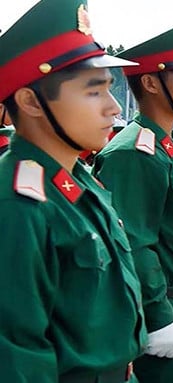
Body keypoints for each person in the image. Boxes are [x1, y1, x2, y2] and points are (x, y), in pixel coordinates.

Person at [0, 1, 146, 381]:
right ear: (30, 101)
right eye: (93, 92)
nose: (114, 108)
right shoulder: (16, 204)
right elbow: (18, 356)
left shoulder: (75, 179)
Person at [92, 21, 173, 383]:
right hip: (165, 309)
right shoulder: (132, 153)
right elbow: (134, 243)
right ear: (151, 82)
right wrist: (160, 316)